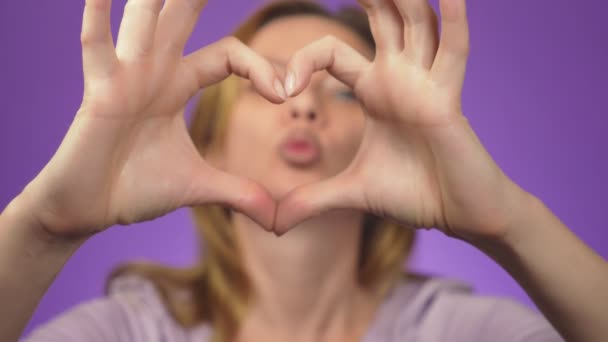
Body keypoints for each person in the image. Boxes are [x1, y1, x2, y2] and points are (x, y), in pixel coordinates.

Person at [0, 0, 606, 341]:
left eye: (341, 90)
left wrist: (509, 223)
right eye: (266, 81)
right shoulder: (128, 333)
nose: (304, 103)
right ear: (207, 140)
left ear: (385, 140)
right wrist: (43, 226)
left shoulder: (462, 332)